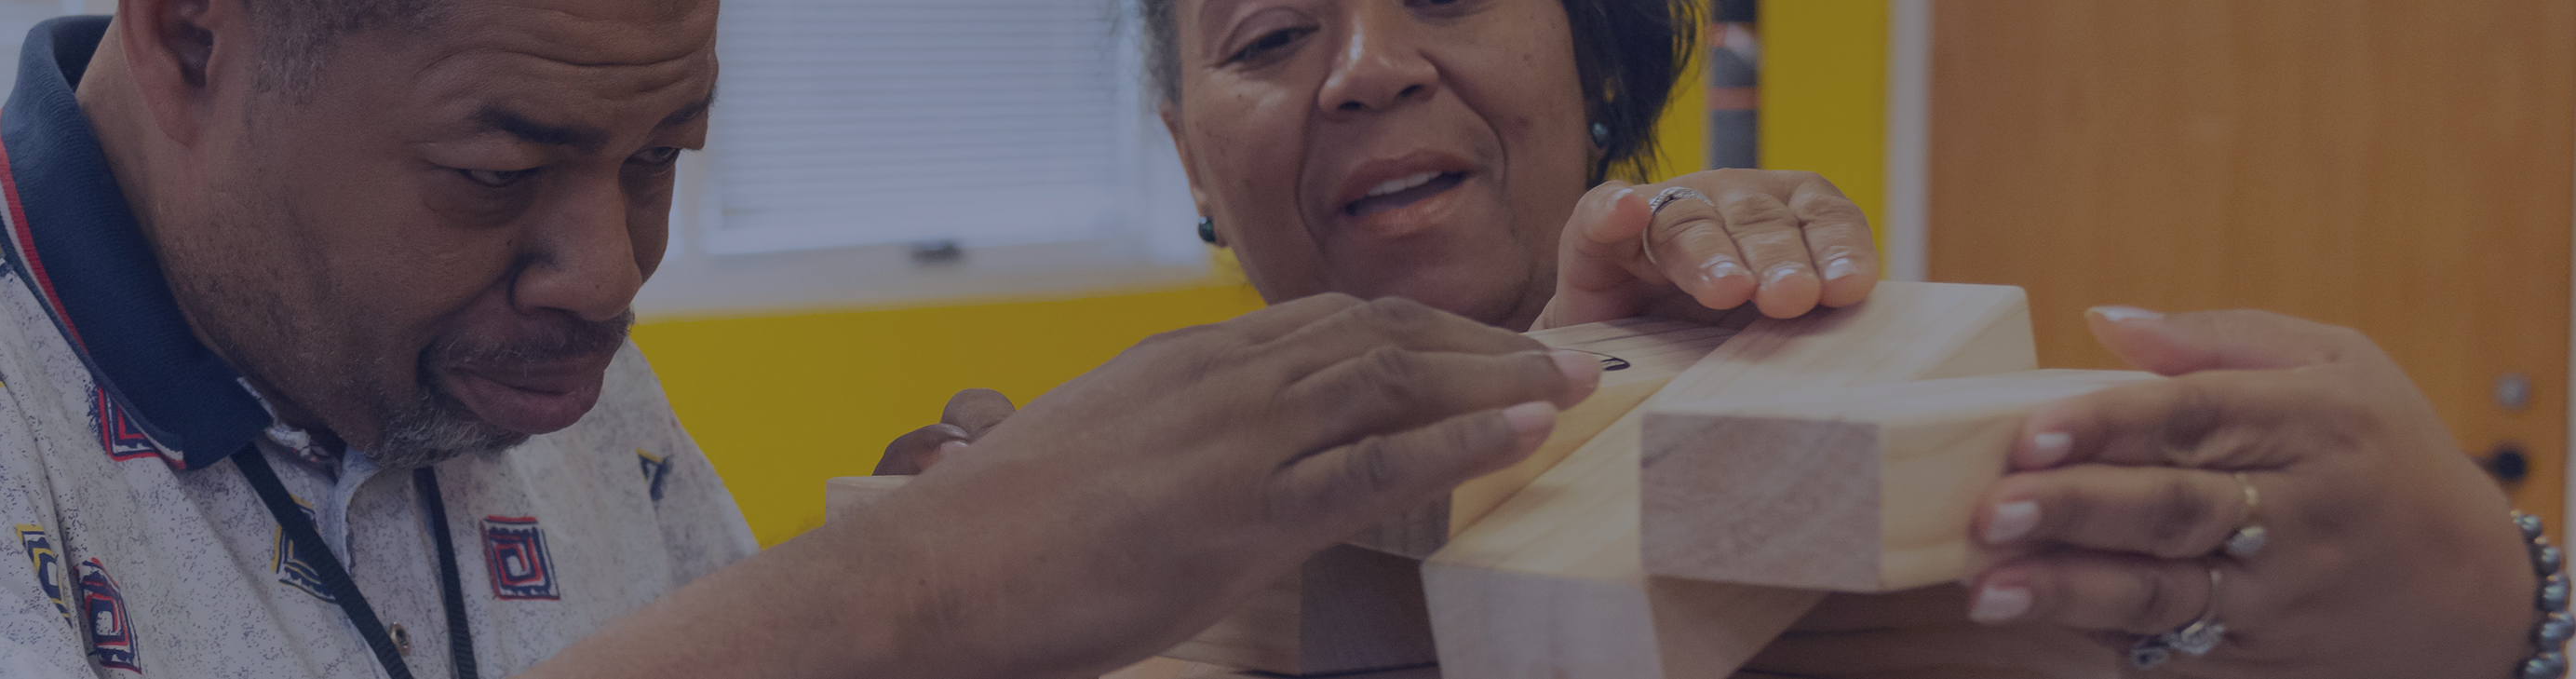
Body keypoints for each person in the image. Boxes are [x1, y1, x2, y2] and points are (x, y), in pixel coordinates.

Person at [0, 1, 1600, 678]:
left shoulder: (519, 348)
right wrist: (906, 591)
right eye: (501, 168)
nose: (606, 268)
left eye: (663, 160)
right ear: (198, 33)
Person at [894, 0, 2564, 676]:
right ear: (1190, 160)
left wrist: (2505, 614)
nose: (1368, 64)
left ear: (1593, 69)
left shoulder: (1899, 473)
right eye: (1269, 33)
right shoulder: (1083, 549)